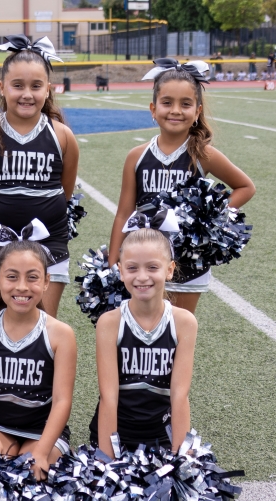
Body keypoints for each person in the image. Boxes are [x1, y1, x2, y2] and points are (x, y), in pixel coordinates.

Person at [109, 58, 255, 313]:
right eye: (167, 103)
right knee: (143, 332)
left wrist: (208, 220)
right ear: (153, 109)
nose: (175, 110)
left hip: (189, 263)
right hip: (145, 263)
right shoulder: (137, 156)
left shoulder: (203, 154)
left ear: (197, 112)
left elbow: (245, 187)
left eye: (185, 104)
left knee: (179, 332)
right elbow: (124, 212)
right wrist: (113, 262)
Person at [0, 34, 79, 318]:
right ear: (2, 88)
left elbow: (64, 192)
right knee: (6, 321)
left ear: (48, 90)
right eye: (17, 85)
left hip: (50, 240)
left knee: (45, 325)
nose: (27, 94)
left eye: (36, 86)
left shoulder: (62, 136)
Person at [0, 240, 76, 480]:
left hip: (43, 434)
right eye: (12, 277)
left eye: (32, 277)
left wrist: (43, 452)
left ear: (46, 281)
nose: (22, 287)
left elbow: (62, 401)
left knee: (28, 475)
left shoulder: (60, 333)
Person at [90, 228, 198, 458]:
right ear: (120, 271)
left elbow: (180, 395)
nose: (141, 276)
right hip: (118, 436)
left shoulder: (183, 322)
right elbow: (108, 396)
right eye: (132, 268)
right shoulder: (109, 323)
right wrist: (107, 461)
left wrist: (178, 458)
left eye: (152, 267)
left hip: (162, 438)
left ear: (169, 270)